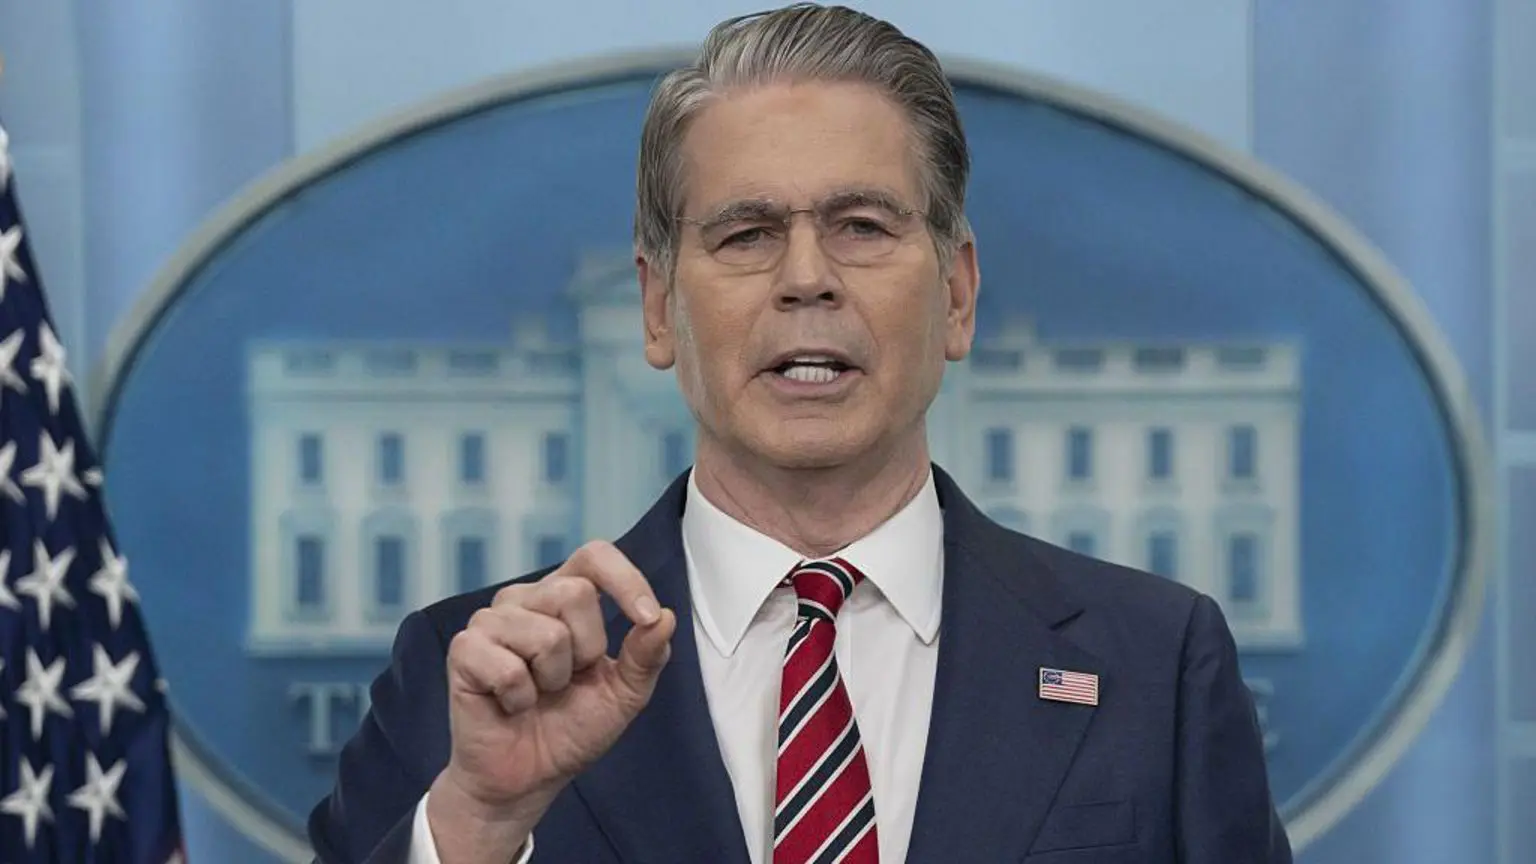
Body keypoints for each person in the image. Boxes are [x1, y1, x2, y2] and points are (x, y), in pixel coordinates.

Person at [307, 4, 1293, 862]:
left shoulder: (1155, 665)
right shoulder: (471, 680)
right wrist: (479, 826)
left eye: (863, 226)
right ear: (658, 308)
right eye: (747, 234)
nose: (807, 278)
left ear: (956, 295)